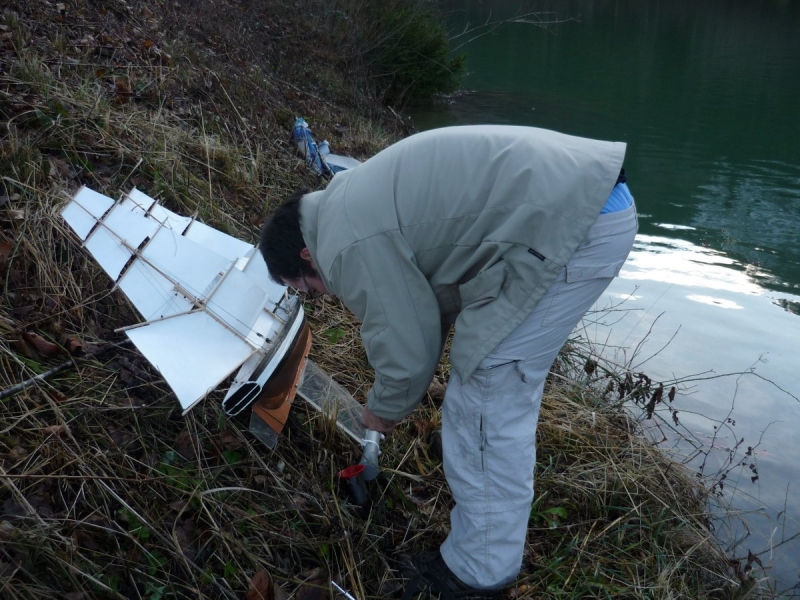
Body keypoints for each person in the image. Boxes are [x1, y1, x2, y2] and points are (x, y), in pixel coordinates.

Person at [260, 125, 638, 596]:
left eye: (307, 289)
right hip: (580, 200)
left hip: (572, 224)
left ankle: (477, 575)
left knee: (488, 394)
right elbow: (428, 299)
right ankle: (478, 483)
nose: (320, 295)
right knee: (486, 385)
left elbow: (407, 344)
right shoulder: (343, 203)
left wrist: (383, 410)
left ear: (304, 254)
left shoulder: (343, 245)